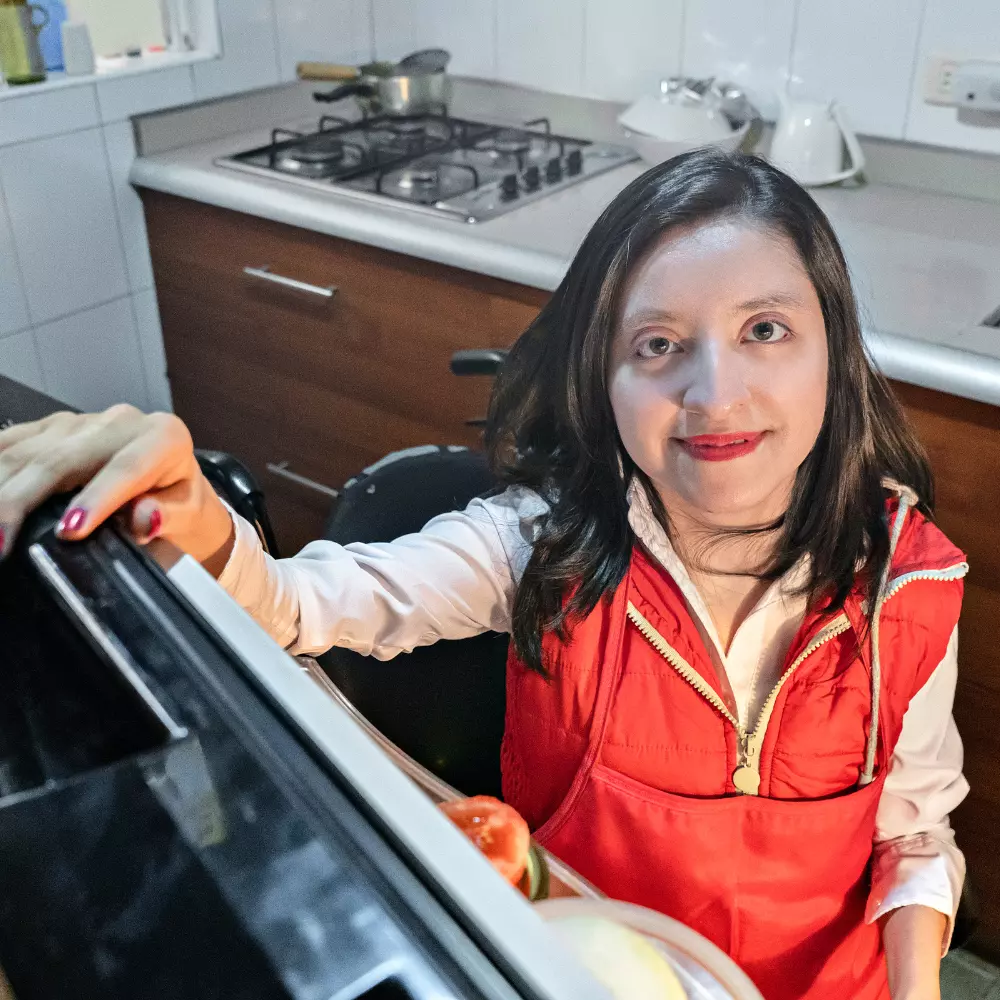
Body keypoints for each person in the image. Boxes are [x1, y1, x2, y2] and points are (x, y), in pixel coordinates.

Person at [0, 149, 967, 1000]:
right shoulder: (539, 547)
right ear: (605, 383)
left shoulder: (909, 585)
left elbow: (915, 835)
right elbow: (293, 605)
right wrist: (194, 518)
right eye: (658, 345)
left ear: (835, 353)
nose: (715, 393)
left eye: (765, 330)